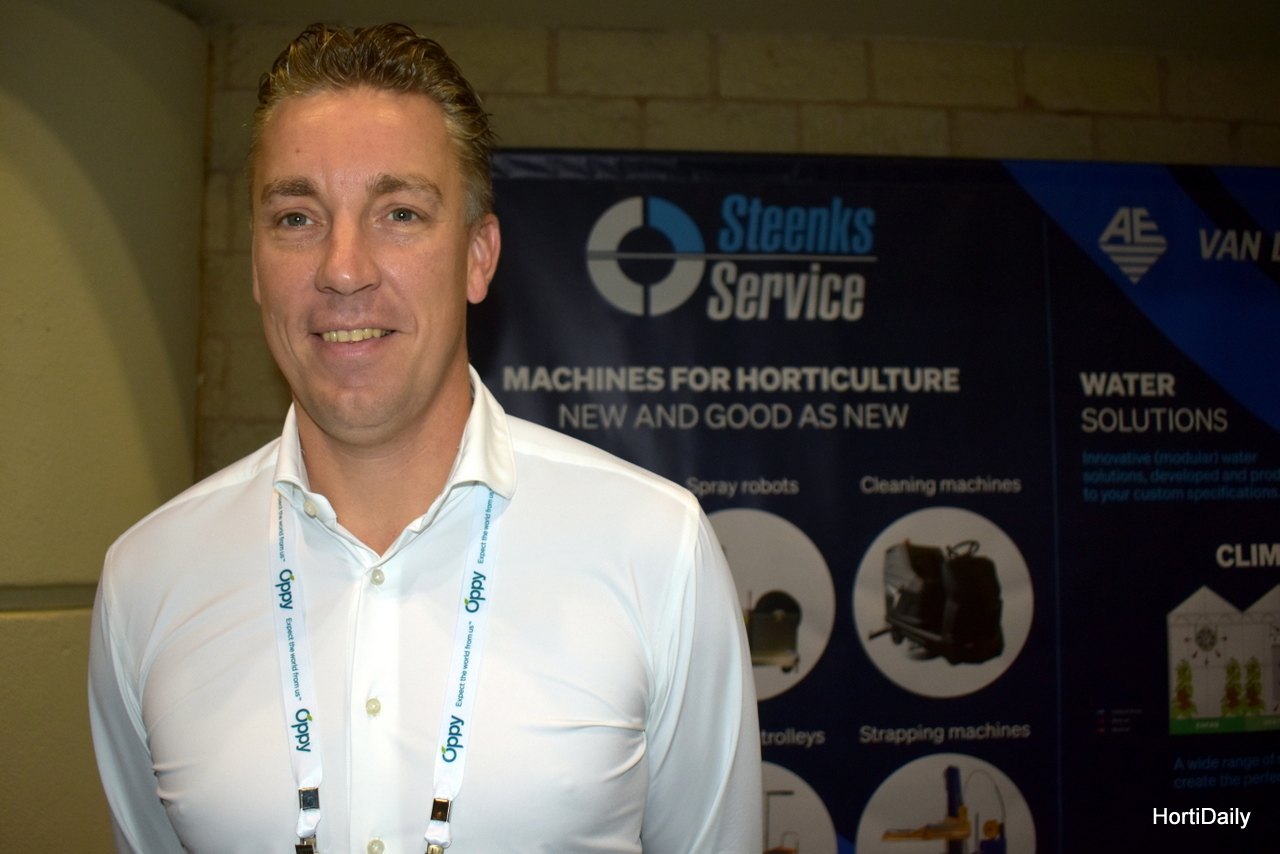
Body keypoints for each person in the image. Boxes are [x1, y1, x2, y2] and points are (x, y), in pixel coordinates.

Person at [89, 23, 760, 854]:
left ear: (478, 257)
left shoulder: (656, 549)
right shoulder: (147, 580)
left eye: (399, 213)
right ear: (257, 266)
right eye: (296, 217)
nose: (343, 268)